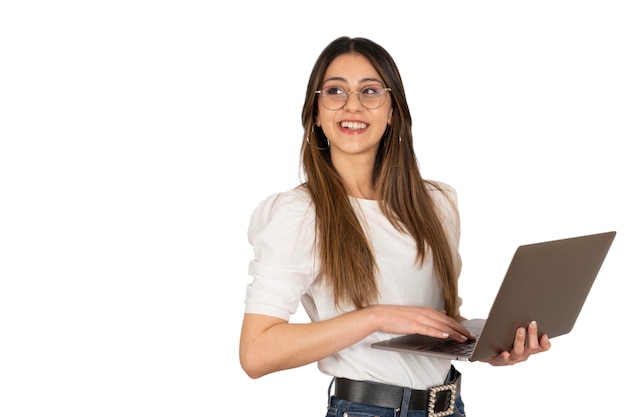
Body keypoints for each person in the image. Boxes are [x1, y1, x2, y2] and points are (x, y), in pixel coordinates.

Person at [239, 36, 551, 417]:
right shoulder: (298, 214)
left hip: (449, 407)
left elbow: (433, 329)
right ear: (316, 113)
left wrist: (491, 349)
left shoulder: (437, 204)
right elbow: (256, 352)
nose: (352, 105)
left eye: (370, 91)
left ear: (392, 111)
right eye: (335, 91)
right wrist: (376, 316)